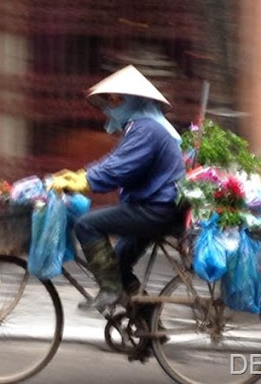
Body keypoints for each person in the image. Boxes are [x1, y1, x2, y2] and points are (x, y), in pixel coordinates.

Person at [50, 65, 185, 311]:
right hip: (152, 207)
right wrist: (81, 175)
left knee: (87, 224)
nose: (111, 105)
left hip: (157, 209)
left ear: (134, 101)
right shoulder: (140, 127)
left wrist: (85, 182)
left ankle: (110, 291)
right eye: (110, 100)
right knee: (118, 264)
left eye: (116, 100)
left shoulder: (147, 128)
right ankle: (148, 323)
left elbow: (120, 168)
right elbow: (114, 161)